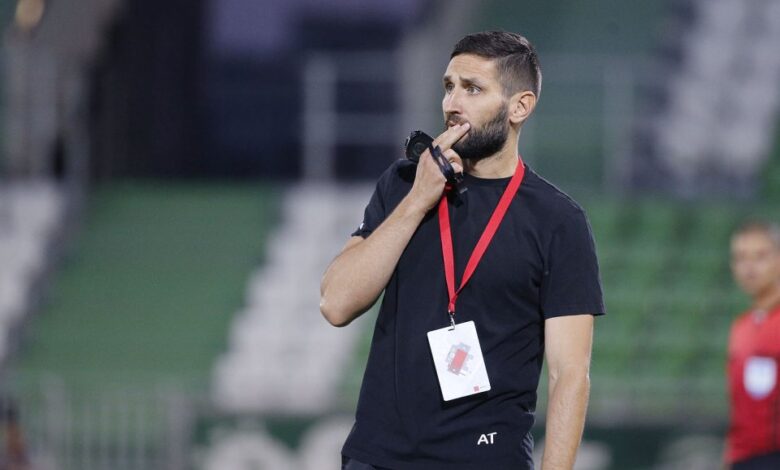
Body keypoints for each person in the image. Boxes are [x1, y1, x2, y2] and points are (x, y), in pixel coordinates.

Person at [320, 30, 605, 470]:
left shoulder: (558, 221)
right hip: (379, 458)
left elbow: (570, 375)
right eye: (448, 87)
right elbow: (336, 304)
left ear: (520, 107)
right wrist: (417, 201)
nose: (452, 103)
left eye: (472, 89)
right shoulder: (403, 183)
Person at [726, 221, 780, 469]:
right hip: (746, 459)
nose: (749, 267)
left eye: (760, 256)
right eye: (740, 258)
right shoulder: (742, 327)